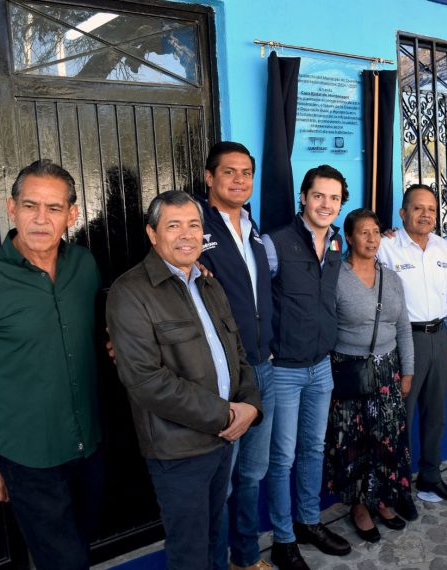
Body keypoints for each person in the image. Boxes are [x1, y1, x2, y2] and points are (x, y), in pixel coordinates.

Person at [0, 160, 103, 570]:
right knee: (65, 563)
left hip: (89, 446)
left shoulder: (84, 266)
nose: (41, 219)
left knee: (80, 547)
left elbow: (99, 332)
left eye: (53, 208)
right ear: (12, 208)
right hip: (28, 458)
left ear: (72, 214)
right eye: (30, 206)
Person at [106, 191, 262, 569]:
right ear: (152, 233)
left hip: (224, 441)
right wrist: (225, 416)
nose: (186, 235)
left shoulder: (209, 283)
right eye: (173, 226)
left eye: (193, 225)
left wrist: (251, 406)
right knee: (190, 550)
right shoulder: (130, 292)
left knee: (215, 538)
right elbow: (145, 380)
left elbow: (236, 353)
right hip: (179, 450)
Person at [262, 165, 352, 570]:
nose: (326, 205)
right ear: (303, 197)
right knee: (281, 457)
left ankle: (309, 522)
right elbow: (254, 300)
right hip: (283, 370)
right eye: (319, 196)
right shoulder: (274, 243)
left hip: (321, 367)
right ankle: (283, 539)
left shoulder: (336, 245)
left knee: (313, 450)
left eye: (334, 198)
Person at [199, 142, 275, 570]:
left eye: (246, 172)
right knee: (220, 482)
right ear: (210, 177)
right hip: (222, 375)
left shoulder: (253, 226)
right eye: (229, 172)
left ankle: (246, 559)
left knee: (252, 474)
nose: (239, 180)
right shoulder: (194, 226)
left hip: (263, 367)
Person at [325, 208, 414, 543]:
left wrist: (408, 372)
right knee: (353, 442)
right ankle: (359, 506)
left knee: (387, 439)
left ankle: (383, 499)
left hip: (388, 371)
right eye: (363, 232)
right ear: (349, 237)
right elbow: (326, 326)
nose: (372, 238)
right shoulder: (336, 277)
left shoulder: (391, 279)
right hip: (350, 371)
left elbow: (403, 328)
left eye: (376, 232)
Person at [377, 184, 447, 509]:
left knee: (435, 414)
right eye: (417, 208)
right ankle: (398, 487)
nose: (425, 214)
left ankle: (430, 475)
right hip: (404, 341)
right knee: (402, 418)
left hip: (439, 337)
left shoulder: (443, 246)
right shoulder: (388, 247)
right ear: (403, 213)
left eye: (431, 208)